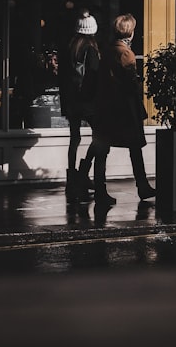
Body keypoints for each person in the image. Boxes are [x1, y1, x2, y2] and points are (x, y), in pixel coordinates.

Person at [90, 13, 156, 206]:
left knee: (102, 150)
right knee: (135, 148)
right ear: (131, 32)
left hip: (105, 107)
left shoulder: (108, 50)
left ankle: (100, 190)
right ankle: (142, 186)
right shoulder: (126, 53)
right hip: (123, 108)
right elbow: (130, 84)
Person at [60, 11, 101, 202]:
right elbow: (94, 76)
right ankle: (84, 172)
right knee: (100, 136)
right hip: (87, 100)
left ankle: (72, 178)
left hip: (71, 100)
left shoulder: (69, 48)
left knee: (74, 139)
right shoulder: (90, 49)